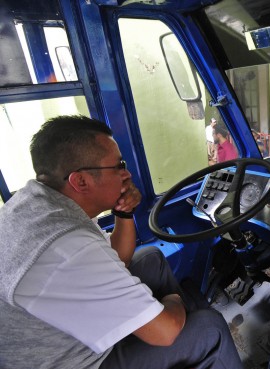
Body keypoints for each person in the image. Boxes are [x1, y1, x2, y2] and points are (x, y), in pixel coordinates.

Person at [0, 115, 242, 369]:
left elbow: (119, 260)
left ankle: (190, 336)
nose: (126, 174)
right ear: (80, 181)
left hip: (59, 338)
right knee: (210, 328)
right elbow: (166, 333)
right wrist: (172, 301)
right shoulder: (68, 250)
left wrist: (124, 213)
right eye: (118, 166)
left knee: (150, 258)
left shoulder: (43, 205)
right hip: (73, 362)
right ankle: (197, 334)